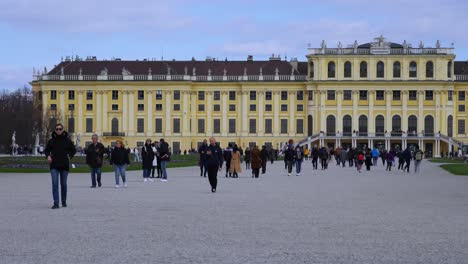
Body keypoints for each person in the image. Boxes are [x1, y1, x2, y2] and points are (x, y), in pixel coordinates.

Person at [44, 123, 76, 209]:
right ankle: (56, 203)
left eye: (60, 129)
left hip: (64, 165)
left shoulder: (67, 140)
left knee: (63, 184)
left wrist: (70, 155)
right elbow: (46, 150)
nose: (58, 130)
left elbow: (73, 150)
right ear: (55, 130)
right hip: (54, 165)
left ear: (63, 130)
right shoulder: (51, 141)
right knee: (55, 184)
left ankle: (64, 201)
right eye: (57, 129)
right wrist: (48, 156)